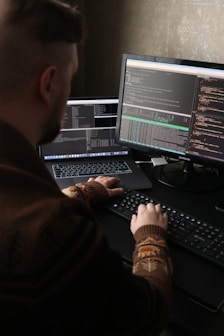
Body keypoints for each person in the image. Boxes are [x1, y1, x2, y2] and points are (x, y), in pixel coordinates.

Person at [0, 0, 173, 335]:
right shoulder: (57, 231)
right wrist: (150, 237)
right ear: (49, 83)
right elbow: (146, 316)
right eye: (71, 76)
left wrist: (78, 193)